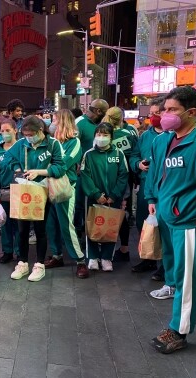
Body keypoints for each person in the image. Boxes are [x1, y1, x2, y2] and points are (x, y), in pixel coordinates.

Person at [145, 86, 196, 354]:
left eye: (172, 110)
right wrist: (152, 198)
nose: (165, 115)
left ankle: (178, 330)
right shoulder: (163, 139)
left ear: (191, 112)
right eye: (164, 109)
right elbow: (157, 172)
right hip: (168, 216)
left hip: (192, 221)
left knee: (185, 277)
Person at [3, 116, 66, 281]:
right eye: (26, 134)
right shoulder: (21, 144)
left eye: (31, 134)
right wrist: (18, 170)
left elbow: (61, 167)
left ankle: (39, 265)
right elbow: (9, 160)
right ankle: (23, 263)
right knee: (22, 230)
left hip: (43, 191)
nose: (29, 137)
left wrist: (40, 172)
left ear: (40, 130)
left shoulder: (53, 144)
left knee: (40, 229)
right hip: (24, 189)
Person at [45, 110, 88, 278]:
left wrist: (47, 167)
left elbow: (63, 164)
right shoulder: (51, 141)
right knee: (51, 224)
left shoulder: (74, 142)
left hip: (65, 189)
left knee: (67, 225)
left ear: (63, 122)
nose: (52, 123)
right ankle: (57, 255)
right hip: (49, 187)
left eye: (55, 120)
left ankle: (80, 260)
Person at [80, 123, 129, 272]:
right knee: (92, 226)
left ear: (111, 137)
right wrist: (96, 194)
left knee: (110, 227)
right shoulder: (88, 154)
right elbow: (85, 175)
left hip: (113, 198)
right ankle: (93, 257)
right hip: (94, 198)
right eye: (99, 134)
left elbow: (123, 175)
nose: (101, 138)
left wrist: (114, 195)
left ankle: (107, 257)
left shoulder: (119, 154)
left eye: (105, 135)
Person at [130, 98, 167, 277]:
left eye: (156, 113)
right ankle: (149, 259)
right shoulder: (145, 135)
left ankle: (166, 265)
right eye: (150, 113)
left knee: (165, 226)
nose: (152, 117)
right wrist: (138, 164)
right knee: (143, 223)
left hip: (165, 187)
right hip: (146, 184)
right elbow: (134, 155)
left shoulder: (171, 136)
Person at [101, 107, 139, 263]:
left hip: (105, 180)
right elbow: (135, 157)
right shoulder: (129, 135)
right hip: (125, 181)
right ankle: (124, 248)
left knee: (103, 213)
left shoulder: (102, 134)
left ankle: (103, 246)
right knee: (122, 213)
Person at [74, 99, 110, 236]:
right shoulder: (79, 123)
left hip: (98, 171)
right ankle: (78, 232)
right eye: (105, 112)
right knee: (79, 204)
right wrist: (77, 164)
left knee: (94, 203)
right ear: (99, 111)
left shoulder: (101, 124)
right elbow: (72, 145)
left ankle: (94, 231)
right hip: (81, 172)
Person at [0, 118, 19, 263]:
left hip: (20, 192)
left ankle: (20, 252)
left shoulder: (22, 147)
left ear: (15, 130)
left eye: (8, 130)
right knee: (5, 224)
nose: (5, 133)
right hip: (4, 192)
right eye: (2, 131)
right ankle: (7, 251)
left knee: (19, 225)